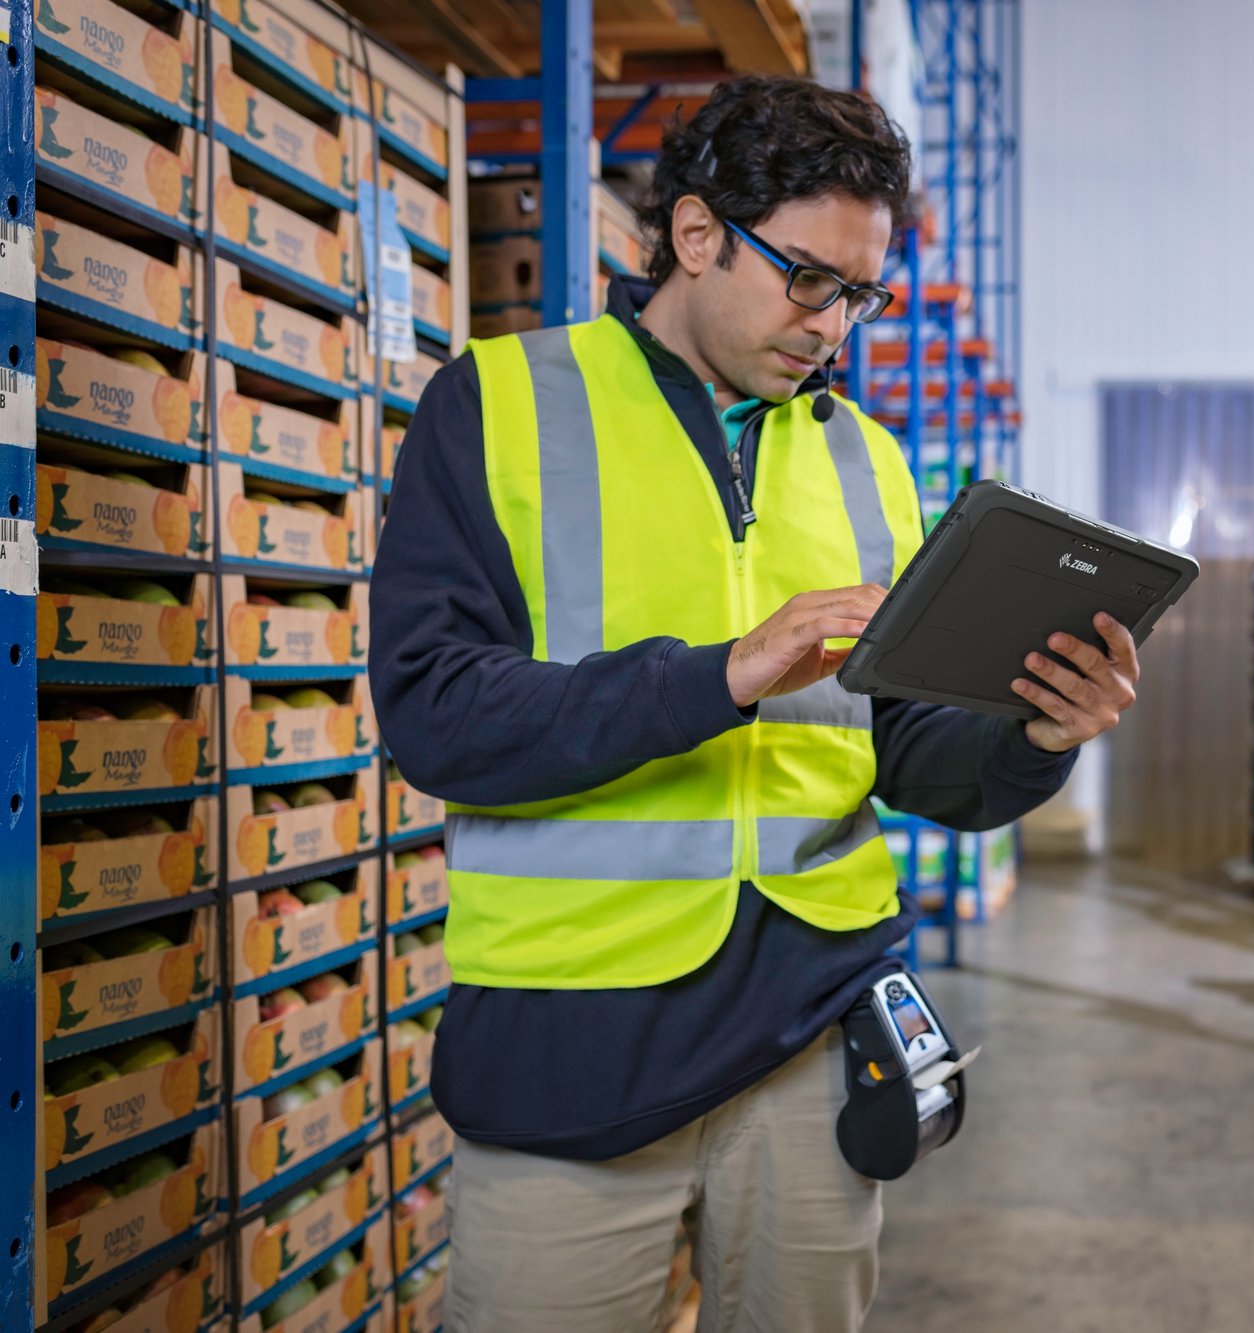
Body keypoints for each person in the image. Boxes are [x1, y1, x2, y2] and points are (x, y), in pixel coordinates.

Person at [369, 76, 1144, 1332]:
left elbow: (904, 751)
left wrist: (1034, 737)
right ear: (693, 235)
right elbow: (436, 714)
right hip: (573, 1041)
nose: (834, 325)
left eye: (860, 293)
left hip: (812, 1031)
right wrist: (718, 676)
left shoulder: (864, 457)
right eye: (807, 280)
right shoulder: (497, 406)